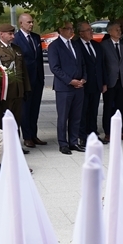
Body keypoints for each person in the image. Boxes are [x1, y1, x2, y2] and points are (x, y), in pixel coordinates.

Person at [46, 22, 86, 154]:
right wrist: (70, 81)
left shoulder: (75, 44)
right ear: (60, 30)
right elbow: (55, 68)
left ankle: (73, 142)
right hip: (64, 87)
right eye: (68, 29)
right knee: (63, 117)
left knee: (76, 116)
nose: (71, 31)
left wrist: (83, 78)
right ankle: (63, 143)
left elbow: (82, 64)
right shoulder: (54, 46)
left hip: (79, 86)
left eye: (72, 28)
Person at [0, 24, 31, 132]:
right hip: (5, 92)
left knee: (17, 120)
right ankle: (5, 141)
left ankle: (16, 141)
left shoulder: (16, 49)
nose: (13, 36)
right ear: (1, 34)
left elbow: (23, 70)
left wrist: (26, 89)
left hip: (18, 91)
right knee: (5, 121)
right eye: (10, 34)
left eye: (13, 33)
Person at [14, 13, 46, 148]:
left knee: (35, 108)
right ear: (21, 23)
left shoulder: (36, 37)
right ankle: (27, 136)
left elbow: (38, 59)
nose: (31, 24)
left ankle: (34, 134)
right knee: (25, 109)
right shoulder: (16, 38)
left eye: (32, 22)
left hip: (37, 78)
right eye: (28, 22)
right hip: (25, 79)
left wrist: (41, 77)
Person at [101, 18, 123, 142]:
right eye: (116, 30)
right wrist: (103, 82)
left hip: (122, 82)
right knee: (108, 107)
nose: (119, 31)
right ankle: (108, 133)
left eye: (120, 29)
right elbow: (102, 66)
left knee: (121, 108)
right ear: (110, 32)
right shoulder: (104, 45)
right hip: (110, 82)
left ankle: (120, 131)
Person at [73, 22, 104, 147]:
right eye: (88, 30)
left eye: (91, 29)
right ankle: (82, 136)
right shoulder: (76, 45)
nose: (91, 32)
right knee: (83, 111)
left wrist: (104, 82)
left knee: (93, 110)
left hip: (96, 84)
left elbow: (101, 65)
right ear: (81, 33)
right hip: (83, 84)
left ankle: (93, 134)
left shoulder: (96, 45)